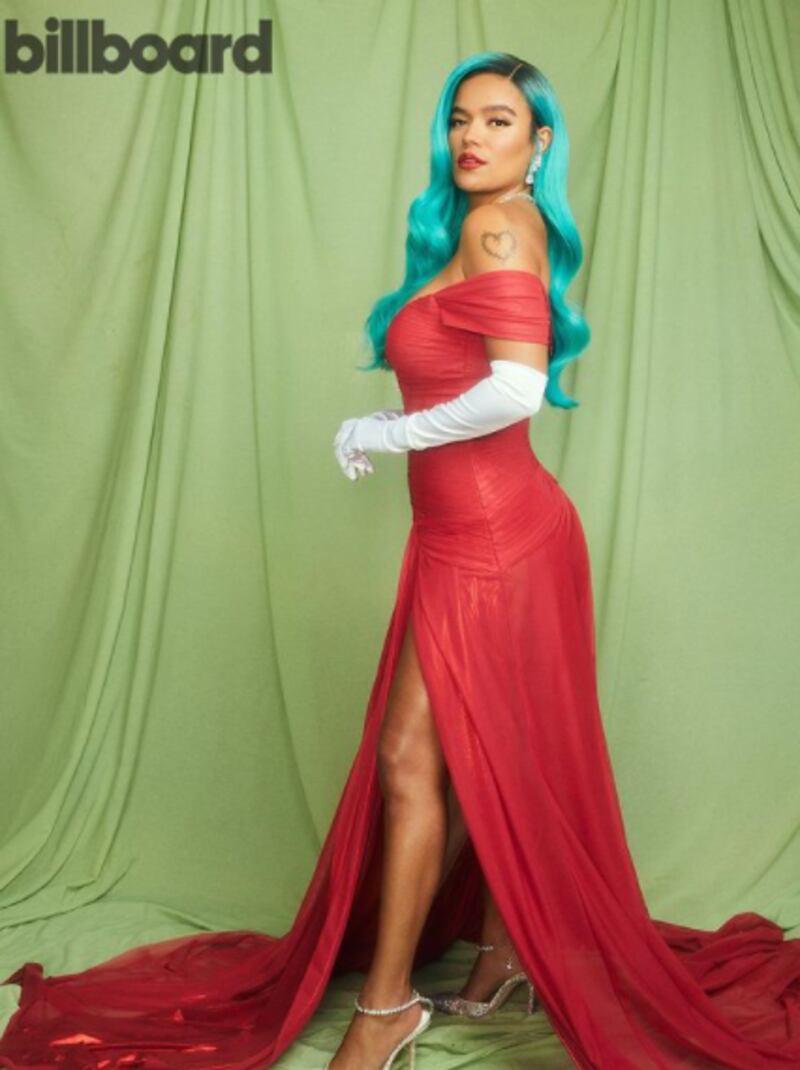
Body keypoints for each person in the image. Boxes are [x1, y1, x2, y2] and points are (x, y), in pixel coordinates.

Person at [1, 50, 799, 1070]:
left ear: (539, 142)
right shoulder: (479, 227)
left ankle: (385, 1006)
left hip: (494, 542)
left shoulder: (500, 226)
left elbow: (515, 391)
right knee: (483, 756)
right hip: (467, 535)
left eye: (499, 121)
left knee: (412, 759)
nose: (471, 136)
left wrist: (388, 429)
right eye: (461, 118)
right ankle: (500, 957)